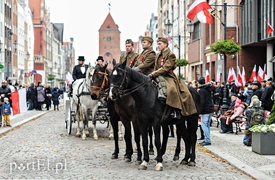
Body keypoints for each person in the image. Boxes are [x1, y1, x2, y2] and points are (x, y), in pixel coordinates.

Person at [149, 37, 197, 121]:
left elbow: (166, 68)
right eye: (158, 44)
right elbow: (156, 67)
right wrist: (153, 74)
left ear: (165, 44)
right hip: (158, 76)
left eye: (160, 44)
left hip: (168, 76)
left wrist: (154, 73)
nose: (158, 46)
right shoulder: (158, 55)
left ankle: (175, 110)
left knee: (172, 89)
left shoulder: (171, 55)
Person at [197, 77, 213, 146]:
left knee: (204, 125)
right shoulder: (208, 89)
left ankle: (207, 140)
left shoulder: (201, 90)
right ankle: (207, 138)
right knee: (207, 125)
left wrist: (200, 111)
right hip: (210, 109)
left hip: (205, 110)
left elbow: (202, 102)